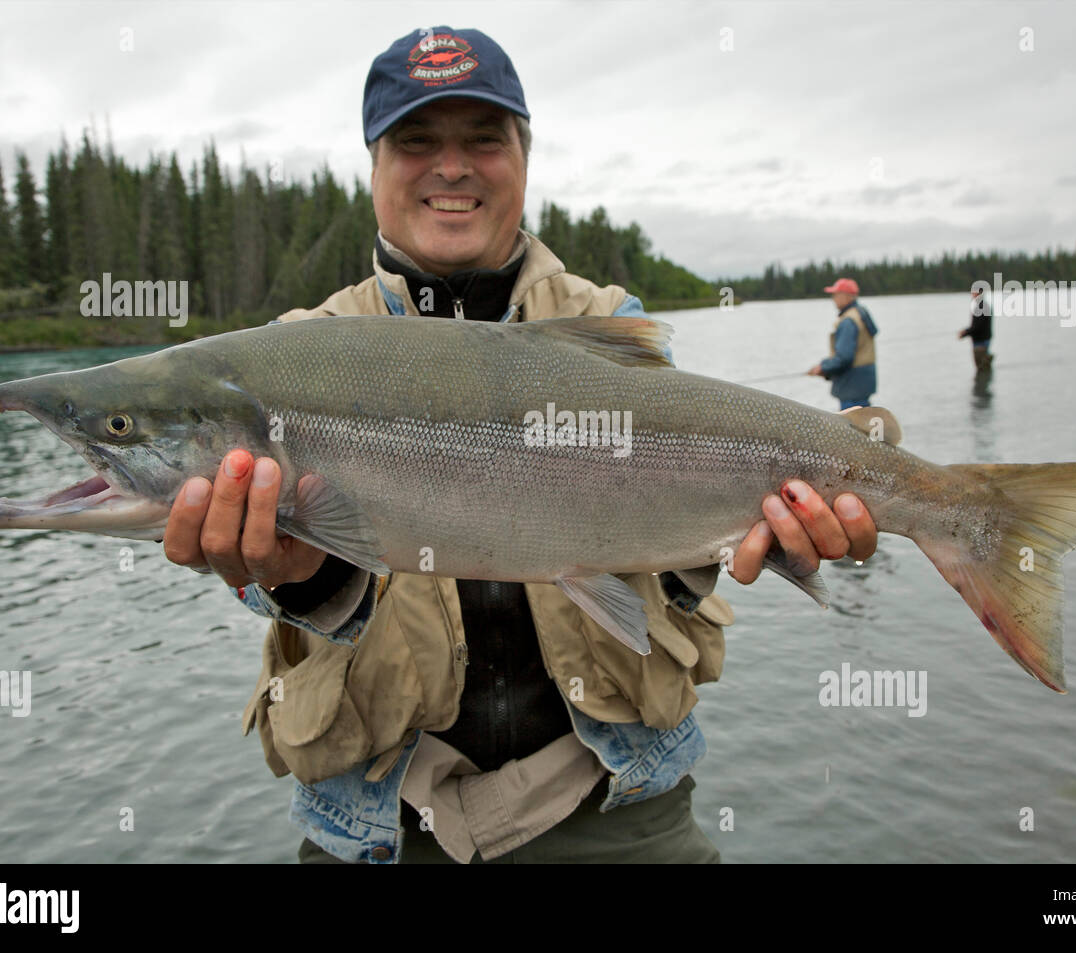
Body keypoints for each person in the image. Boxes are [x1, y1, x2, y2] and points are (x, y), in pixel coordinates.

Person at [162, 25, 879, 864]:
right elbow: (269, 599)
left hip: (621, 804)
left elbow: (682, 567)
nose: (452, 166)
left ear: (524, 158)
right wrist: (301, 572)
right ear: (374, 168)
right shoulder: (293, 352)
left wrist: (756, 540)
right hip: (378, 828)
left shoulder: (610, 320)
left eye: (483, 140)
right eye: (417, 141)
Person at [807, 277, 879, 409]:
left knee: (851, 425)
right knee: (863, 422)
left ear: (846, 296)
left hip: (852, 386)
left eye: (835, 294)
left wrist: (823, 367)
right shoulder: (861, 313)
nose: (833, 298)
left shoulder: (848, 322)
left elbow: (844, 358)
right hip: (863, 384)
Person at [958, 287, 993, 371]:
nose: (972, 295)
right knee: (984, 366)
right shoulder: (983, 305)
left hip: (980, 342)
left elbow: (977, 327)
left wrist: (965, 333)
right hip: (983, 339)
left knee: (981, 368)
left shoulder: (980, 307)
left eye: (973, 293)